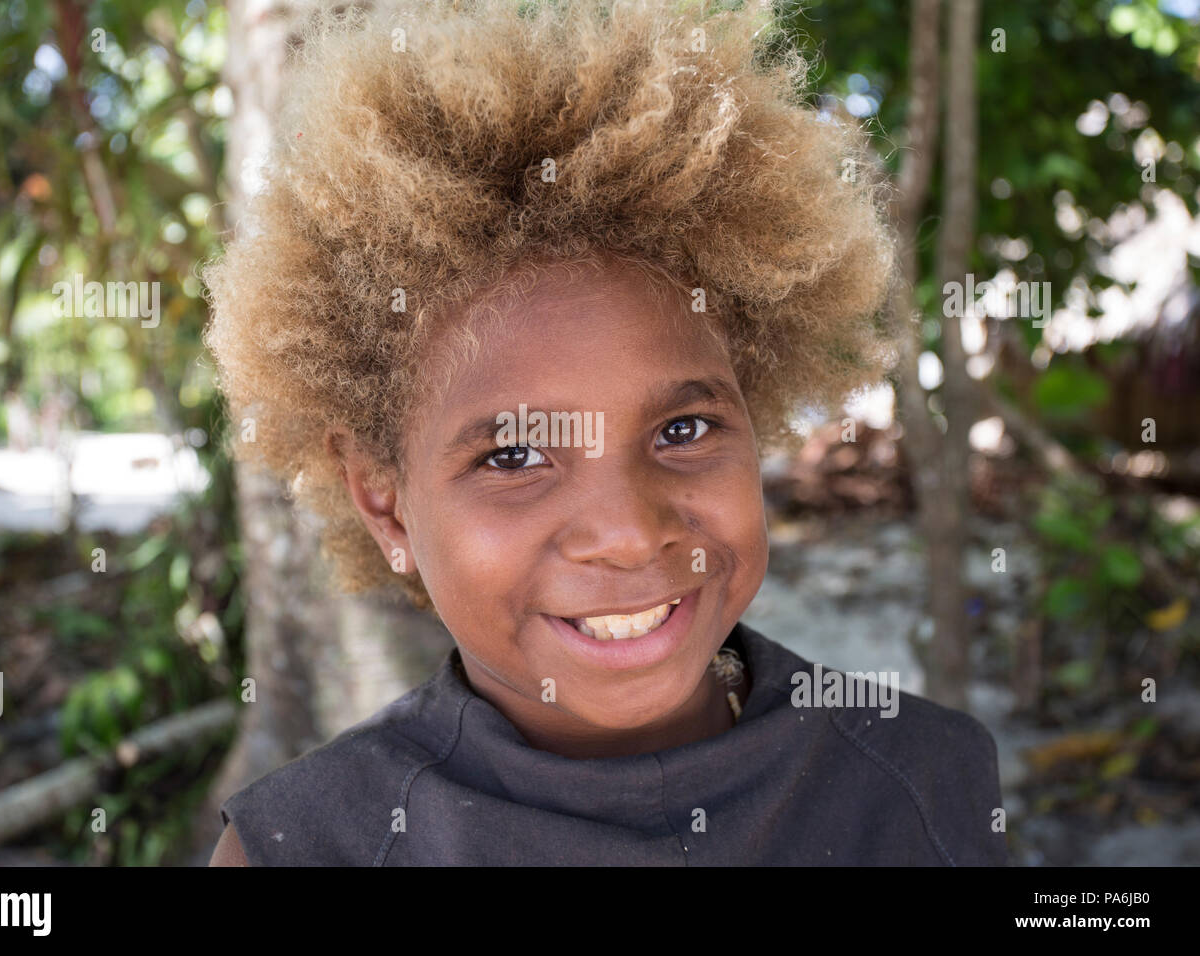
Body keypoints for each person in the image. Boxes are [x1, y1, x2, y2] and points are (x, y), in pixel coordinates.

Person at [202, 0, 1006, 866]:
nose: (628, 534)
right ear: (385, 503)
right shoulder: (302, 847)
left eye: (683, 429)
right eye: (513, 455)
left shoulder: (919, 780)